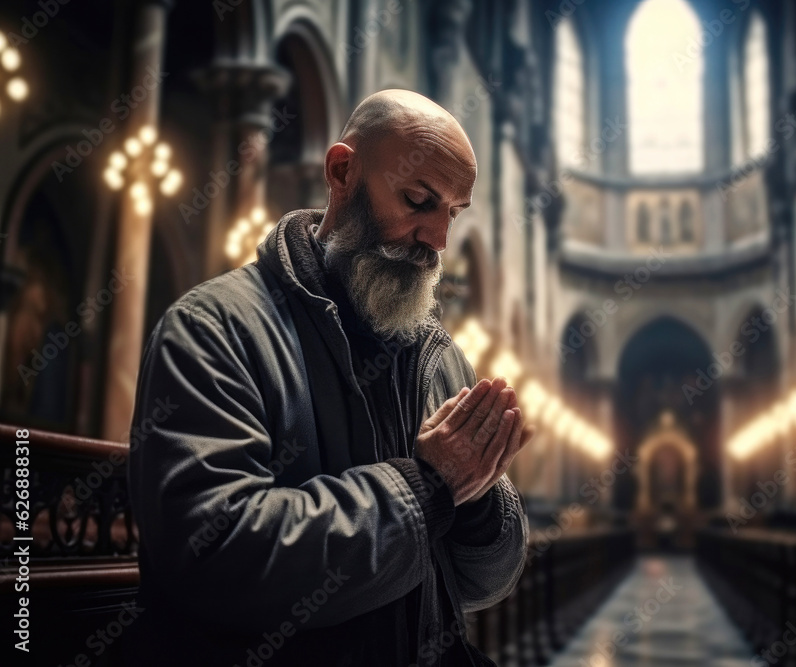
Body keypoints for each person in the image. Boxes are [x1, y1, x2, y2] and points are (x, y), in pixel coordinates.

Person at [125, 89, 533, 666]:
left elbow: (484, 586)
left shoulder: (442, 359)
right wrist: (430, 486)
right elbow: (213, 557)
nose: (438, 241)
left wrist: (479, 499)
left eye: (453, 213)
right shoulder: (213, 328)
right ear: (343, 172)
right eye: (418, 200)